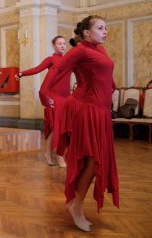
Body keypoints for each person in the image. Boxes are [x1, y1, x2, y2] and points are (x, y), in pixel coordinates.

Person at [39, 15, 119, 232]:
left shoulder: (99, 50)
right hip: (89, 110)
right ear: (86, 32)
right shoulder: (81, 50)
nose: (105, 31)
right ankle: (76, 206)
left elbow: (104, 76)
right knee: (93, 161)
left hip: (101, 112)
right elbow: (57, 69)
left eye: (106, 27)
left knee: (96, 161)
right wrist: (43, 92)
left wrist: (111, 85)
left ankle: (75, 202)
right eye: (100, 28)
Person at [15, 36, 69, 167]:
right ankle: (56, 156)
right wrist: (22, 73)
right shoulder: (51, 59)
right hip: (53, 97)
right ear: (54, 46)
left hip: (66, 98)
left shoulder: (69, 60)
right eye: (59, 44)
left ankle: (52, 154)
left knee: (62, 128)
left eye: (64, 44)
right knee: (56, 127)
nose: (62, 46)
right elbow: (37, 69)